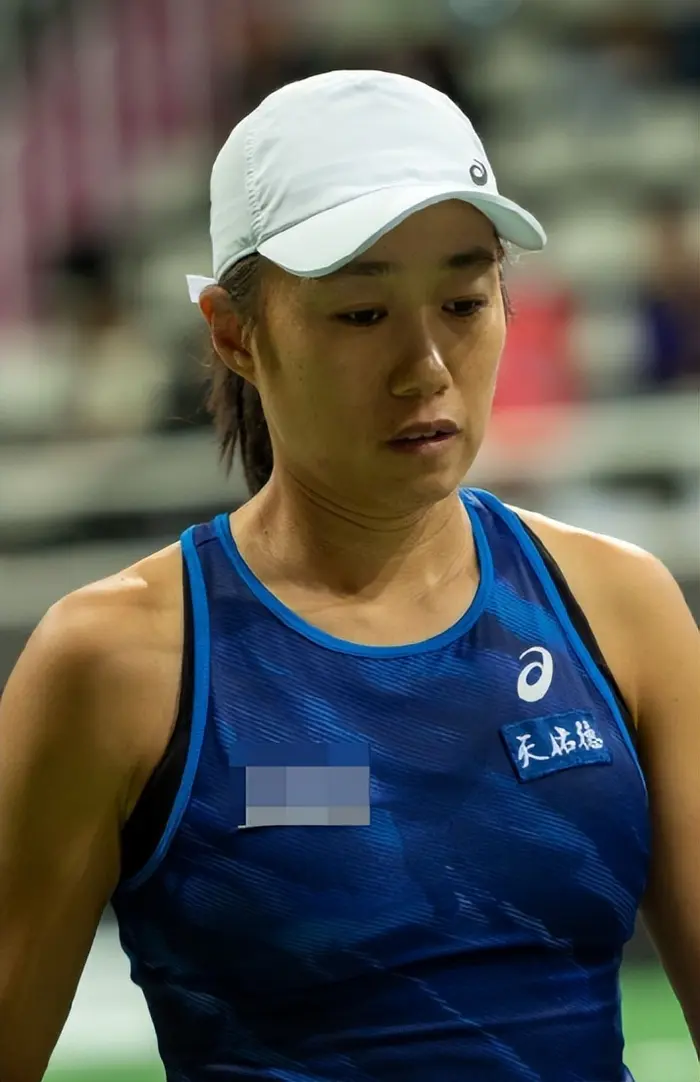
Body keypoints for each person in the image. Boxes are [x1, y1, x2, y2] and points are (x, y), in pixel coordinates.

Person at [0, 70, 698, 1082]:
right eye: (362, 314)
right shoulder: (122, 663)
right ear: (234, 334)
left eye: (464, 302)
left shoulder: (619, 610)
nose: (427, 366)